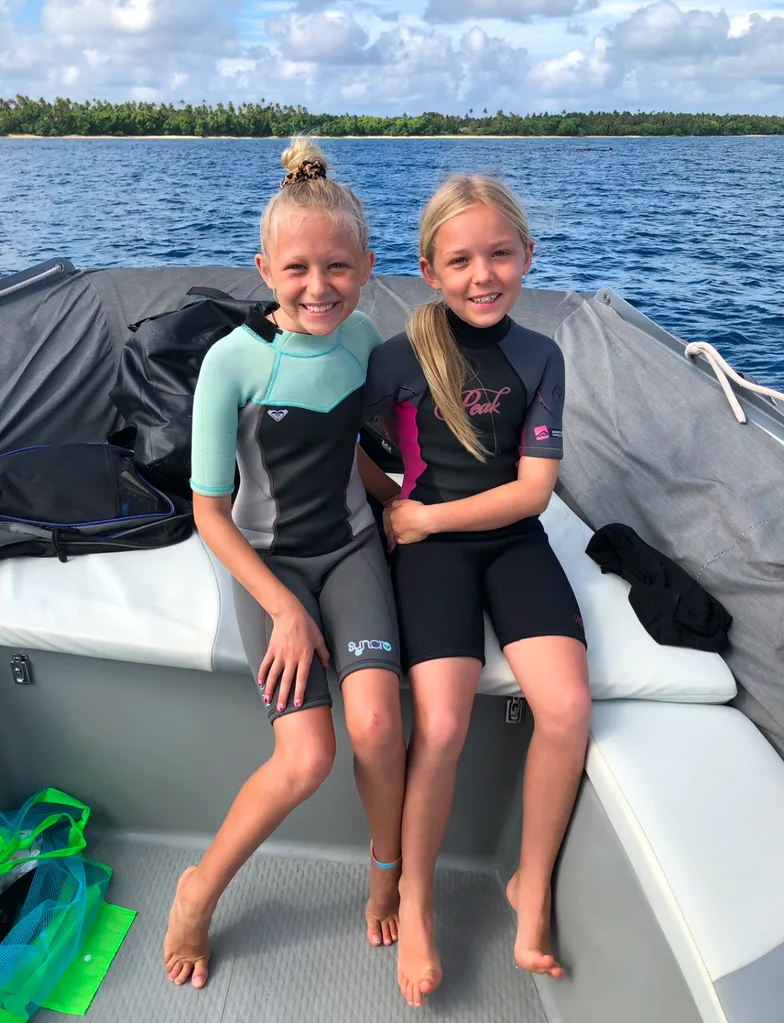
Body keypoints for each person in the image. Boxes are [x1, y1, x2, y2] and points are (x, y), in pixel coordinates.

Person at [164, 138, 407, 989]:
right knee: (305, 758)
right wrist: (285, 609)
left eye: (339, 267)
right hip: (270, 567)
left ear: (367, 266)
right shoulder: (233, 361)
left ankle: (387, 876)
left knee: (379, 725)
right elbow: (208, 510)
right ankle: (197, 891)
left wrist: (392, 495)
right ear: (266, 268)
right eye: (298, 267)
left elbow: (342, 445)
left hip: (349, 551)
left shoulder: (367, 334)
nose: (319, 286)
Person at [359, 174, 591, 1008]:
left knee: (566, 709)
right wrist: (395, 505)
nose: (482, 274)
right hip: (435, 556)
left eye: (500, 253)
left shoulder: (540, 356)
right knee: (444, 721)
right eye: (460, 260)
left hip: (508, 541)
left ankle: (530, 880)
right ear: (429, 269)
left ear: (528, 256)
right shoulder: (400, 356)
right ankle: (414, 901)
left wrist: (426, 518)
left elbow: (532, 493)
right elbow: (342, 435)